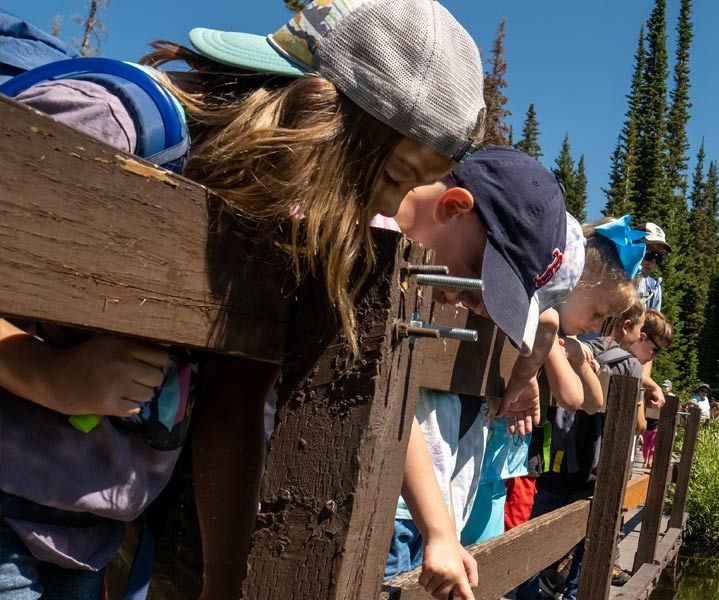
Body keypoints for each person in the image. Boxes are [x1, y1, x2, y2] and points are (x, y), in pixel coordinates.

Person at [0, 1, 485, 598]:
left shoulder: (274, 216)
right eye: (391, 174)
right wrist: (40, 371)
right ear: (324, 117)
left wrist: (225, 583)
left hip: (82, 542)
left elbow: (237, 394)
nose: (388, 208)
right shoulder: (110, 127)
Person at [379, 149, 640, 599]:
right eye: (479, 276)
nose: (469, 302)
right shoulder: (381, 245)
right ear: (454, 207)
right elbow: (383, 394)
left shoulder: (418, 255)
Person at [515, 309, 669, 600]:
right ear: (631, 330)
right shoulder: (630, 366)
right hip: (596, 467)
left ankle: (528, 590)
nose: (652, 356)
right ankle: (575, 593)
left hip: (557, 458)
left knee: (536, 531)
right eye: (654, 349)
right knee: (591, 539)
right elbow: (637, 424)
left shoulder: (576, 347)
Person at [637, 223, 670, 311]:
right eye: (650, 255)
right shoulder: (611, 279)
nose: (653, 263)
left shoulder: (654, 289)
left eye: (658, 257)